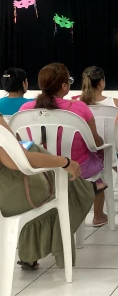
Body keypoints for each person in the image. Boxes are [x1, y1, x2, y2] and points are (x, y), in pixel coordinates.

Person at [0, 114, 95, 270]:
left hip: (7, 194)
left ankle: (30, 255)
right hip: (8, 197)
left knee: (46, 165)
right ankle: (86, 189)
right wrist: (64, 161)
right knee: (60, 186)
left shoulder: (25, 110)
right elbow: (17, 159)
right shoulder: (78, 109)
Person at [20, 63, 109, 227]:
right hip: (78, 167)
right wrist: (102, 144)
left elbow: (22, 143)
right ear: (64, 86)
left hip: (40, 169)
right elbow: (94, 143)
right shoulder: (79, 108)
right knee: (99, 157)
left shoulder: (25, 109)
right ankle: (98, 214)